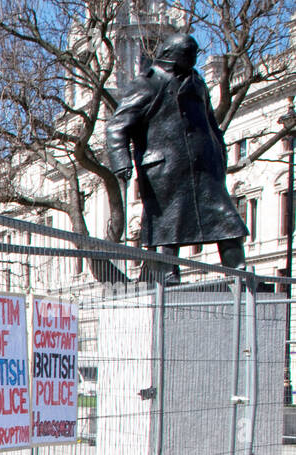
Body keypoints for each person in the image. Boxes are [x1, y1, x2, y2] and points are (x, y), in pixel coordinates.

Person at [106, 33, 247, 282]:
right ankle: (165, 275)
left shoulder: (198, 82)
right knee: (167, 224)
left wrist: (219, 155)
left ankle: (239, 273)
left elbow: (211, 124)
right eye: (188, 54)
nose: (193, 59)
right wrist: (121, 161)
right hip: (165, 170)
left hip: (204, 169)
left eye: (194, 54)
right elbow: (117, 126)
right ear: (171, 55)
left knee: (227, 219)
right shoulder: (148, 82)